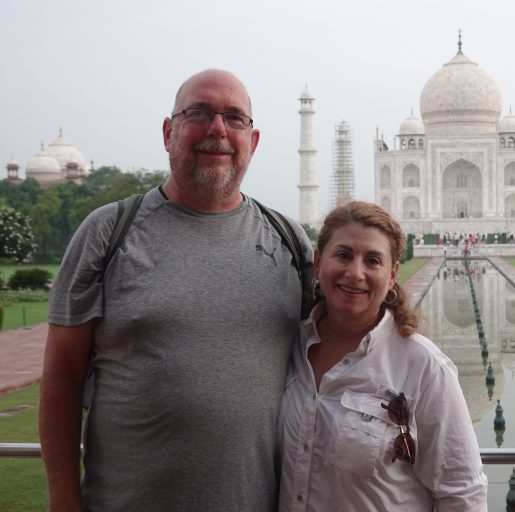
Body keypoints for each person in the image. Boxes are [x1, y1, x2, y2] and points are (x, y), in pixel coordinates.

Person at [39, 69, 312, 512]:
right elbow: (61, 379)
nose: (217, 129)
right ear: (169, 132)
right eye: (199, 113)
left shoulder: (288, 240)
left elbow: (331, 365)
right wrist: (64, 501)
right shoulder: (108, 233)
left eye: (234, 118)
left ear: (254, 140)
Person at [279, 201, 487, 511]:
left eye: (372, 260)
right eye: (343, 255)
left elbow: (462, 494)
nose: (355, 273)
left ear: (391, 274)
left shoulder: (423, 366)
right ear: (318, 260)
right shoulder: (288, 345)